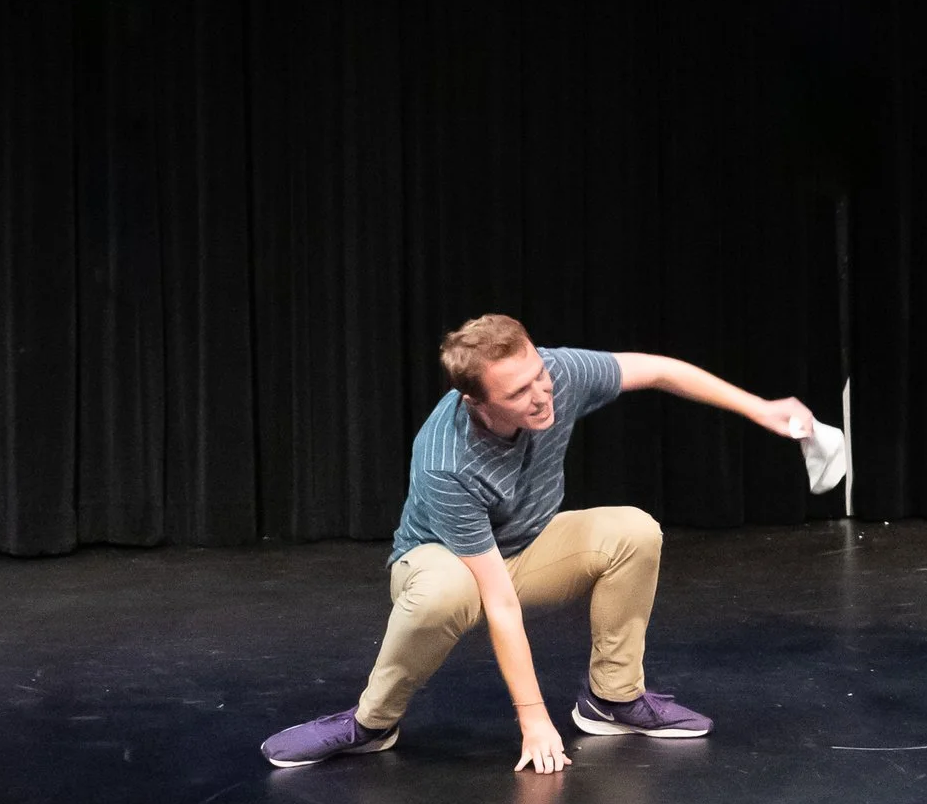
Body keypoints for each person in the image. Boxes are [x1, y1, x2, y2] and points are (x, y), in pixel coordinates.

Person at [260, 314, 837, 771]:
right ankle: (372, 723)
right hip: (443, 565)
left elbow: (660, 371)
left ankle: (612, 698)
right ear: (476, 403)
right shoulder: (447, 461)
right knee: (442, 594)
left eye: (539, 374)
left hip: (526, 547)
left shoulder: (554, 375)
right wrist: (533, 720)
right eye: (519, 392)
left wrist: (760, 408)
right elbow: (499, 602)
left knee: (633, 530)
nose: (542, 395)